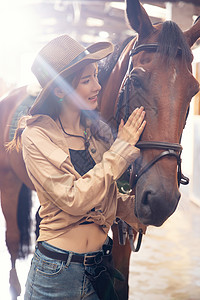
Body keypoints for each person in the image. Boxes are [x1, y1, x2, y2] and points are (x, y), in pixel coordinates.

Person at [12, 35, 146, 299]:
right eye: (86, 80)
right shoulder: (36, 136)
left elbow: (110, 197)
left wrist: (147, 201)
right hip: (56, 276)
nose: (97, 86)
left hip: (99, 269)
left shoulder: (98, 135)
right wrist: (120, 150)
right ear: (60, 90)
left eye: (96, 75)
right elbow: (73, 199)